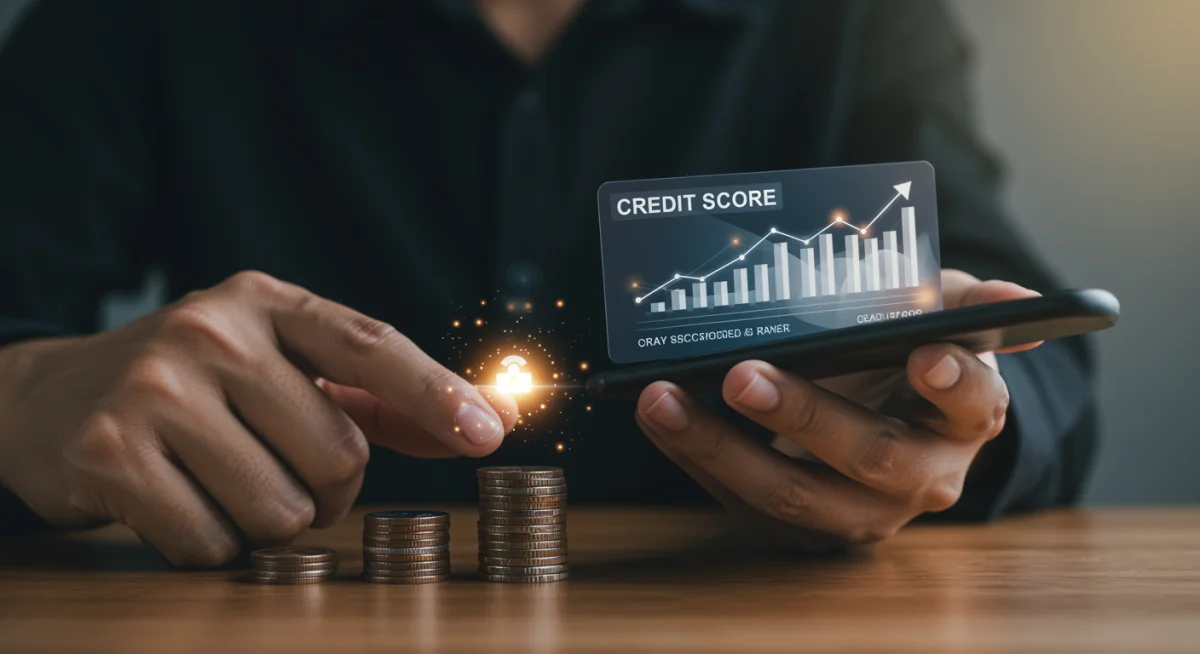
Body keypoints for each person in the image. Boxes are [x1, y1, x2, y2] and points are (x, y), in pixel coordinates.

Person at [0, 0, 1096, 565]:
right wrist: (21, 395)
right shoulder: (141, 16)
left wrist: (943, 420)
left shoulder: (853, 18)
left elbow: (1026, 349)